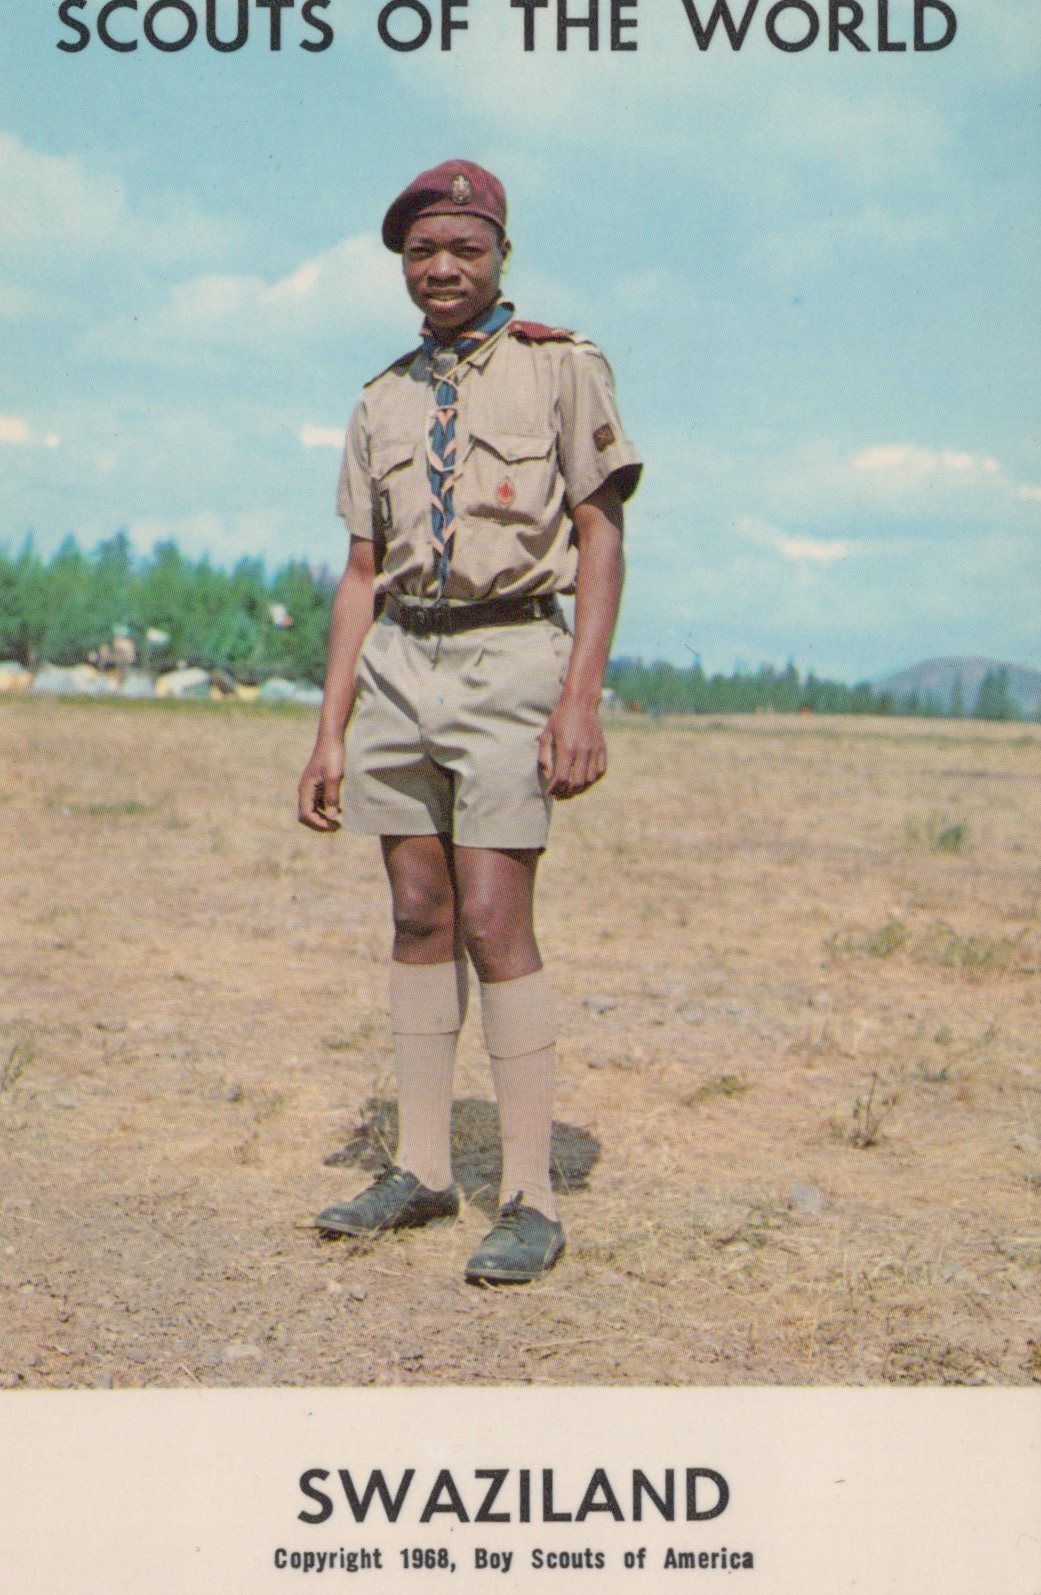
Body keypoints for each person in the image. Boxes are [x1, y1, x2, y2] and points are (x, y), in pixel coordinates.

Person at [297, 159, 642, 1284]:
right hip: (402, 656)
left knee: (496, 915)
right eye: (421, 253)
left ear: (500, 253)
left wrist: (579, 696)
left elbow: (599, 535)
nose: (442, 269)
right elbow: (359, 570)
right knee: (415, 905)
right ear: (403, 264)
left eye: (465, 249)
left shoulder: (562, 367)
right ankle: (428, 1167)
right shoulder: (379, 397)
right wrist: (330, 725)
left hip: (510, 656)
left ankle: (534, 1193)